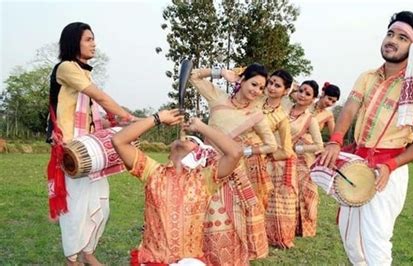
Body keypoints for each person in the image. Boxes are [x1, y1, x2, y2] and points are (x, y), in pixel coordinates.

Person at [318, 11, 413, 265]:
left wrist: (390, 166)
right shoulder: (367, 76)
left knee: (375, 242)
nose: (392, 40)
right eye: (390, 34)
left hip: (387, 172)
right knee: (350, 237)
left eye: (402, 37)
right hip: (357, 165)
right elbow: (349, 109)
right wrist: (336, 140)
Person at [46, 22, 136, 266]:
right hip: (72, 152)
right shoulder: (66, 68)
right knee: (76, 211)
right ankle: (72, 258)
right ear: (74, 41)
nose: (93, 44)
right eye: (88, 39)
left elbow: (94, 116)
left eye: (93, 39)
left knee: (99, 206)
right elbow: (100, 97)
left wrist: (121, 123)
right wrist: (130, 118)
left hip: (90, 150)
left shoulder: (85, 73)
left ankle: (87, 251)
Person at [111, 109, 242, 265]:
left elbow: (235, 152)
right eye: (184, 136)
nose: (185, 137)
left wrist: (201, 126)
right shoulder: (153, 172)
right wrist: (157, 118)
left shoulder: (204, 179)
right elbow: (119, 140)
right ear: (169, 153)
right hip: (153, 259)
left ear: (198, 154)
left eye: (192, 139)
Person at [190, 64, 277, 264]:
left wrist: (241, 152)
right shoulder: (217, 98)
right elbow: (194, 76)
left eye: (261, 88)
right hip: (204, 165)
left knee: (228, 218)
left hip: (232, 170)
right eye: (254, 84)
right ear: (242, 79)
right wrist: (221, 73)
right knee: (200, 214)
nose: (256, 91)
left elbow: (271, 145)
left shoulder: (255, 115)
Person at [259, 69, 297, 248]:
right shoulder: (254, 99)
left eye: (277, 85)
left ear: (286, 90)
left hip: (254, 158)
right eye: (271, 82)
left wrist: (265, 155)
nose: (271, 87)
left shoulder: (282, 117)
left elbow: (287, 151)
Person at [282, 80, 324, 237]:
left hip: (297, 158)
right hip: (275, 156)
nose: (302, 95)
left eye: (308, 94)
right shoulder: (284, 106)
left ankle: (299, 227)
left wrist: (298, 148)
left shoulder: (310, 119)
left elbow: (319, 145)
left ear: (313, 100)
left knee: (300, 193)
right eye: (301, 91)